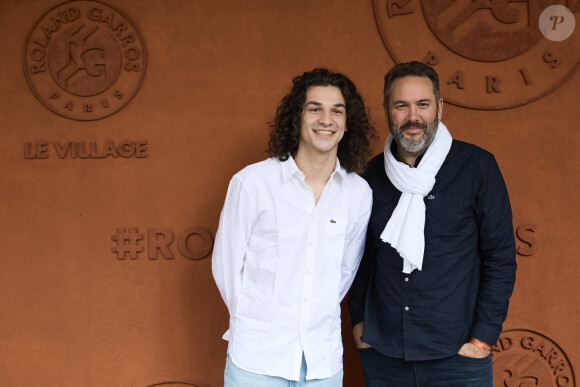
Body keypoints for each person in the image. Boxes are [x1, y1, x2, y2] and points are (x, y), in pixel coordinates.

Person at [348, 61, 517, 386]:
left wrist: (482, 339)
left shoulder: (477, 168)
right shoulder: (370, 177)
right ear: (387, 109)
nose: (413, 117)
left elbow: (500, 259)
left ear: (439, 106)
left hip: (458, 357)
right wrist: (360, 325)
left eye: (422, 104)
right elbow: (361, 261)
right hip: (384, 354)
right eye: (402, 105)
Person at [212, 68, 376, 386]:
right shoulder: (253, 183)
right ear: (297, 117)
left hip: (322, 363)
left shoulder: (358, 193)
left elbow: (342, 275)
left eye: (336, 111)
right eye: (315, 108)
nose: (326, 119)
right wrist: (257, 322)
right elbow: (226, 267)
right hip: (256, 361)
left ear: (347, 123)